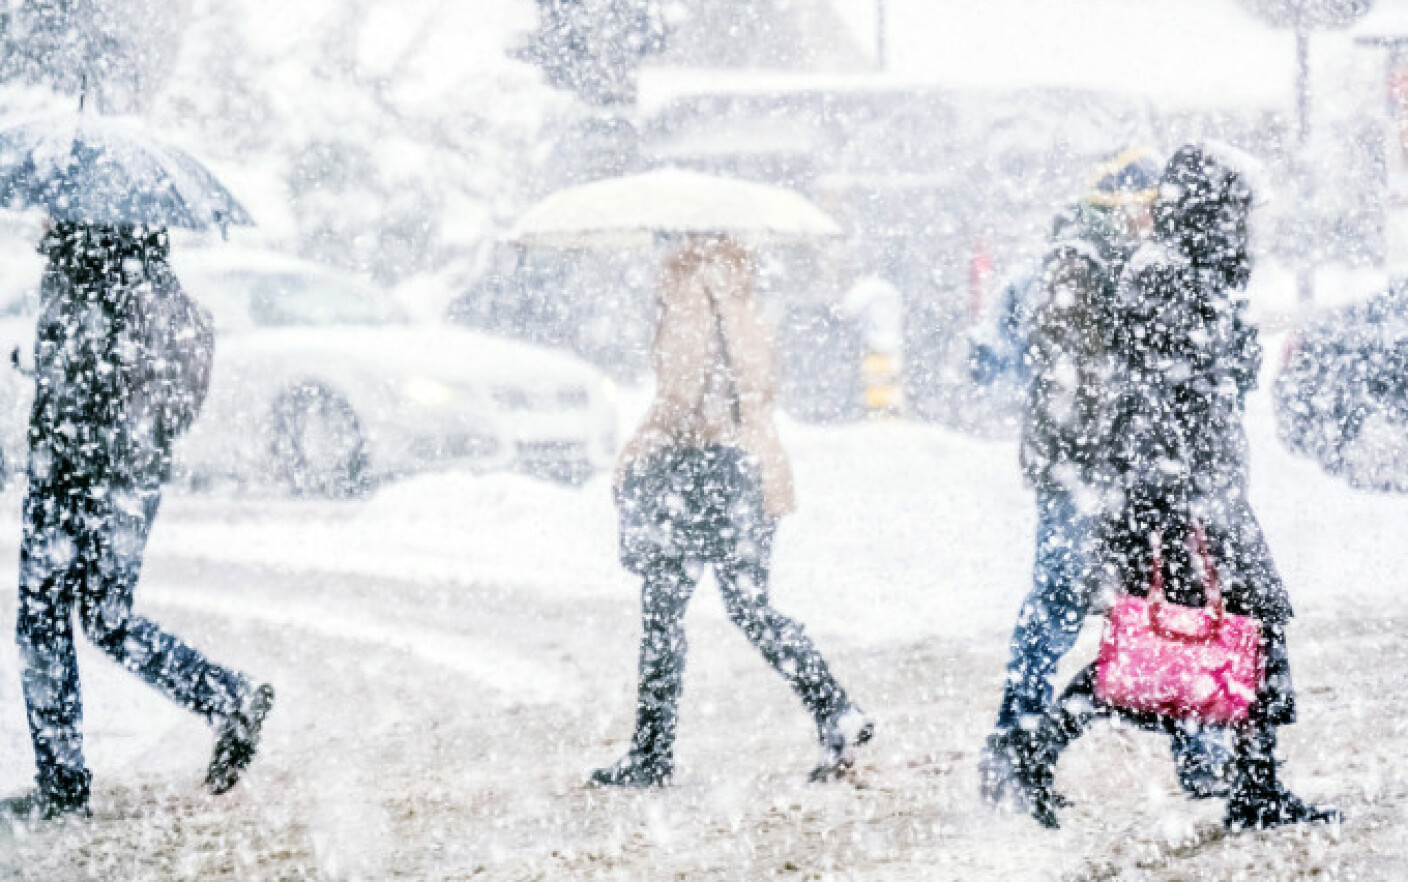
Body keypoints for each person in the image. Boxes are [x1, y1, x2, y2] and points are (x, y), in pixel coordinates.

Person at [1005, 145, 1340, 831]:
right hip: (1176, 503)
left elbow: (1206, 388)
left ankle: (1254, 781)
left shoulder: (1195, 277)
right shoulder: (1164, 280)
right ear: (1210, 214)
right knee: (1165, 646)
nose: (1248, 229)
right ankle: (1040, 752)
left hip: (1199, 495)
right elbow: (1154, 400)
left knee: (1227, 634)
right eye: (1239, 214)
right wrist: (1174, 499)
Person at [3, 222, 274, 822]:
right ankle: (226, 697)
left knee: (43, 622)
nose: (44, 222)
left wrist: (57, 375)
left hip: (77, 469)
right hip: (131, 472)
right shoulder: (149, 272)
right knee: (105, 617)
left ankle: (63, 784)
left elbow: (88, 374)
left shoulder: (85, 269)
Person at [982, 149, 1228, 805]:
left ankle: (1200, 754)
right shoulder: (1079, 264)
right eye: (1144, 208)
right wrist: (1122, 439)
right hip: (1083, 474)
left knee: (1171, 605)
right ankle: (1014, 748)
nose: (1154, 221)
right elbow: (1076, 382)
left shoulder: (1129, 266)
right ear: (1115, 208)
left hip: (1119, 471)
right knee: (1061, 606)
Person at [591, 235, 871, 787]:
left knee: (663, 612)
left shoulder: (689, 296)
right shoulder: (743, 298)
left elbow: (682, 400)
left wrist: (636, 448)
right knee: (750, 606)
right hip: (755, 465)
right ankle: (834, 708)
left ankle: (651, 753)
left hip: (700, 472)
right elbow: (757, 388)